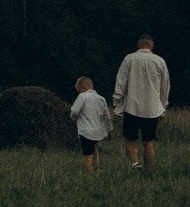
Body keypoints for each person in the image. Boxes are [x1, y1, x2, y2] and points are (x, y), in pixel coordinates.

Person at [111, 34, 170, 172]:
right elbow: (165, 87)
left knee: (129, 139)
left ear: (139, 45)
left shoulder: (129, 59)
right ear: (152, 46)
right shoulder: (160, 61)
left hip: (132, 107)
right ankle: (149, 171)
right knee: (148, 142)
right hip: (151, 108)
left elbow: (121, 81)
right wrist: (162, 106)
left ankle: (136, 163)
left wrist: (116, 101)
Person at [69, 76, 112, 173]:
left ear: (84, 88)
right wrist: (109, 130)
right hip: (97, 131)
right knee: (94, 147)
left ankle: (89, 174)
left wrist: (74, 118)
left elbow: (74, 112)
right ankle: (97, 167)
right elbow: (107, 117)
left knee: (87, 155)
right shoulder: (101, 99)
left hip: (86, 131)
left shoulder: (82, 97)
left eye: (79, 90)